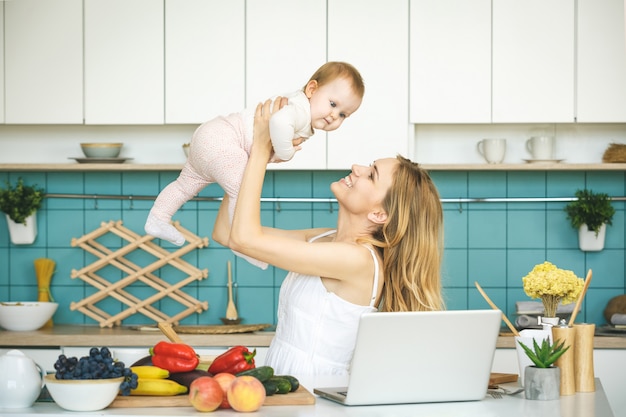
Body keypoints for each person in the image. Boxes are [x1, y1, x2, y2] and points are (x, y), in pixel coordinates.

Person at [212, 99, 445, 376]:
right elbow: (227, 233)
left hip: (315, 392)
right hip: (286, 385)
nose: (357, 167)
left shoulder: (358, 259)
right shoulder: (325, 238)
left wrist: (260, 153)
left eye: (371, 175)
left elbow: (244, 239)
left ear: (380, 215)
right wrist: (246, 156)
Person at [145, 62, 365, 269]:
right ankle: (243, 242)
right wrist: (285, 153)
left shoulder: (301, 108)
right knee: (243, 192)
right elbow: (278, 123)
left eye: (343, 114)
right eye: (333, 104)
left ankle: (158, 217)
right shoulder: (300, 109)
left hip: (209, 135)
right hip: (224, 139)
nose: (334, 115)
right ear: (311, 89)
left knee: (185, 185)